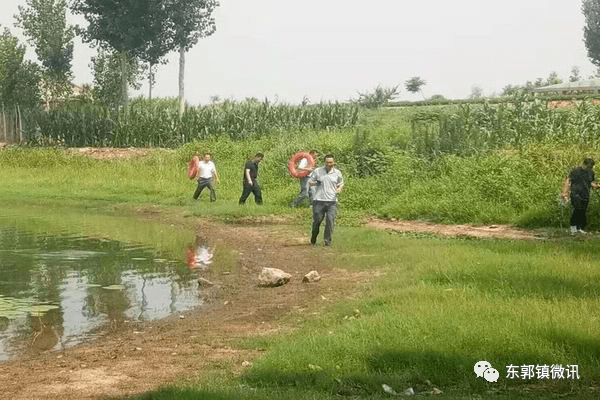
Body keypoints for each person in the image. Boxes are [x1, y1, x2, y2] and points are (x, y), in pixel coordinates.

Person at [308, 154, 344, 246]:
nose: (329, 164)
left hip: (332, 201)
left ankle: (327, 242)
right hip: (319, 200)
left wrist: (339, 188)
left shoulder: (337, 173)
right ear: (324, 162)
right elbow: (310, 182)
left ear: (334, 162)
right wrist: (316, 182)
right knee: (317, 221)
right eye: (327, 162)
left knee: (330, 221)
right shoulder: (317, 171)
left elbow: (341, 183)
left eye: (331, 162)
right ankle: (313, 239)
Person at [561, 158, 600, 234]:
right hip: (576, 193)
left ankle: (579, 228)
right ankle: (573, 227)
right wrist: (565, 192)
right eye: (588, 167)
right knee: (577, 209)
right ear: (583, 164)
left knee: (583, 211)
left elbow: (591, 183)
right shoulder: (575, 171)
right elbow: (568, 181)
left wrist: (597, 186)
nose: (589, 168)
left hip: (585, 194)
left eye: (590, 167)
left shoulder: (591, 173)